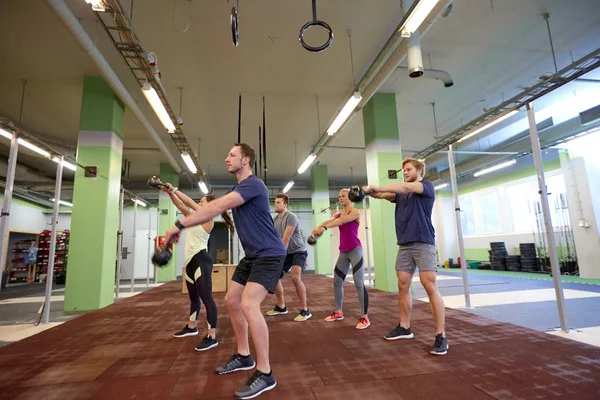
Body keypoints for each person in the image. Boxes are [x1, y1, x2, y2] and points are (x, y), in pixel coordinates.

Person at [164, 143, 285, 400]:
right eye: (227, 154)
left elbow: (217, 207)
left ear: (246, 160)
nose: (226, 158)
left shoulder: (254, 185)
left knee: (249, 304)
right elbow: (207, 209)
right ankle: (244, 356)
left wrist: (178, 226)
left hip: (270, 254)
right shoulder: (236, 189)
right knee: (232, 300)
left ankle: (265, 372)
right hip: (252, 256)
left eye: (232, 155)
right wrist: (181, 221)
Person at [364, 157, 448, 356]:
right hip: (404, 244)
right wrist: (368, 191)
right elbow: (384, 195)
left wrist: (379, 186)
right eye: (404, 170)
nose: (405, 172)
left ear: (419, 171)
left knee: (429, 285)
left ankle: (441, 335)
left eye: (408, 169)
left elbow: (403, 188)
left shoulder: (425, 187)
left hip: (423, 241)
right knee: (402, 284)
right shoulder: (402, 194)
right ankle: (404, 327)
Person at [164, 185, 234, 352]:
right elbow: (181, 206)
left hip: (201, 259)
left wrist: (174, 189)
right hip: (189, 262)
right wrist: (169, 194)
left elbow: (187, 201)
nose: (199, 204)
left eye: (202, 202)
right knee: (193, 297)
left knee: (206, 298)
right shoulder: (194, 217)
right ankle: (191, 326)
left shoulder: (208, 218)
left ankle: (212, 336)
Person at [311, 188, 370, 330]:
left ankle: (365, 317)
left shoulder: (355, 212)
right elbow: (330, 220)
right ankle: (338, 312)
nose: (340, 198)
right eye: (339, 196)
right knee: (337, 281)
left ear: (350, 198)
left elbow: (342, 222)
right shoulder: (338, 213)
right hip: (343, 252)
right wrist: (317, 228)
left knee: (359, 282)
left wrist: (324, 228)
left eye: (343, 196)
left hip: (355, 250)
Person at [265, 193, 311, 322]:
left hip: (298, 251)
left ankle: (305, 310)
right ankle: (281, 306)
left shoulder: (291, 217)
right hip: (285, 253)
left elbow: (285, 239)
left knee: (295, 277)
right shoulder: (275, 220)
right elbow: (274, 239)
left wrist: (277, 257)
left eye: (279, 202)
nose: (276, 204)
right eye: (275, 202)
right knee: (274, 276)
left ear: (285, 205)